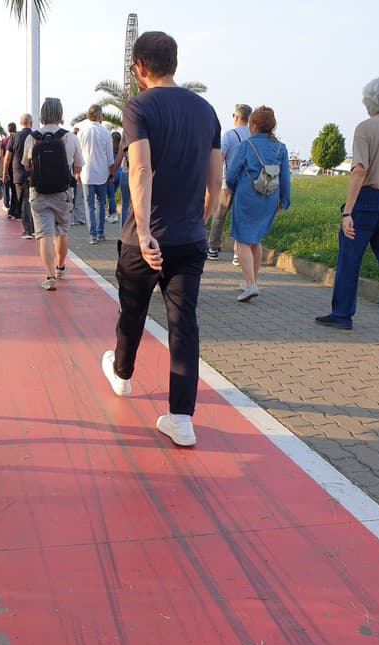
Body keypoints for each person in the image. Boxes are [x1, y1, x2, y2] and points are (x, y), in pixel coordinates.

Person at [100, 31, 221, 447]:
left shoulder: (139, 106)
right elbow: (215, 178)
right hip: (190, 238)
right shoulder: (206, 111)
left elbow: (139, 169)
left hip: (143, 239)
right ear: (173, 62)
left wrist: (147, 230)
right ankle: (181, 418)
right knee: (183, 325)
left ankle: (122, 375)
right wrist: (203, 214)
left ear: (139, 68)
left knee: (132, 311)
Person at [315, 76, 379, 343]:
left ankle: (341, 315)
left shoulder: (365, 128)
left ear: (369, 100)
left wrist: (348, 212)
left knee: (350, 258)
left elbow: (359, 171)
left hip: (368, 201)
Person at [226, 106, 291, 302]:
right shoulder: (281, 147)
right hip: (270, 198)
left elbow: (231, 175)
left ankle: (251, 284)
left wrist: (235, 189)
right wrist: (284, 201)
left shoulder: (246, 145)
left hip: (247, 197)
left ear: (253, 125)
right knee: (256, 239)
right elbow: (286, 177)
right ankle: (251, 281)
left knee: (243, 240)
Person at [23, 97, 84, 290]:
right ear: (60, 114)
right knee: (62, 231)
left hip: (39, 193)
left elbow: (26, 165)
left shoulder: (32, 137)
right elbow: (78, 166)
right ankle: (60, 267)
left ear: (42, 114)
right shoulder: (70, 137)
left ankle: (49, 278)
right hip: (62, 192)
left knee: (45, 235)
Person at [208, 103, 252, 264]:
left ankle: (213, 249)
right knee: (240, 219)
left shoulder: (229, 135)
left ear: (238, 117)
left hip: (227, 183)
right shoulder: (253, 135)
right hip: (246, 185)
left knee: (219, 217)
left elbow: (220, 158)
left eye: (234, 115)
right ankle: (237, 254)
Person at [79, 105, 115, 244]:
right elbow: (110, 157)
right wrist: (111, 173)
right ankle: (100, 233)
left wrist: (77, 173)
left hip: (86, 173)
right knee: (101, 203)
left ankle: (92, 235)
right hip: (102, 174)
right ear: (100, 116)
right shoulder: (106, 133)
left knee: (89, 205)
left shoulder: (82, 132)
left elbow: (79, 154)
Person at [6, 113, 35, 237]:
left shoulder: (14, 137)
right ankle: (34, 228)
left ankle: (28, 230)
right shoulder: (35, 136)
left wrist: (4, 173)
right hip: (33, 174)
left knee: (23, 202)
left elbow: (8, 157)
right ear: (31, 123)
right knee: (33, 201)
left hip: (18, 173)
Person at [71, 127, 87, 226]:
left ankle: (72, 218)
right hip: (79, 174)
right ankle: (80, 217)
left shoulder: (70, 145)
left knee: (72, 197)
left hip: (73, 174)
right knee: (78, 198)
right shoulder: (81, 148)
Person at [0, 122, 16, 213]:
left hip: (7, 166)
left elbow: (1, 155)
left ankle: (6, 204)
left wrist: (1, 167)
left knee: (6, 186)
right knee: (14, 188)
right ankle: (13, 208)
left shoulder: (4, 141)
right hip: (15, 166)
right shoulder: (17, 139)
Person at [107, 131, 123, 224]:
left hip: (112, 174)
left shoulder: (109, 150)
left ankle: (113, 214)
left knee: (111, 196)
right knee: (112, 195)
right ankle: (110, 214)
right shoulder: (121, 149)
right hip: (120, 174)